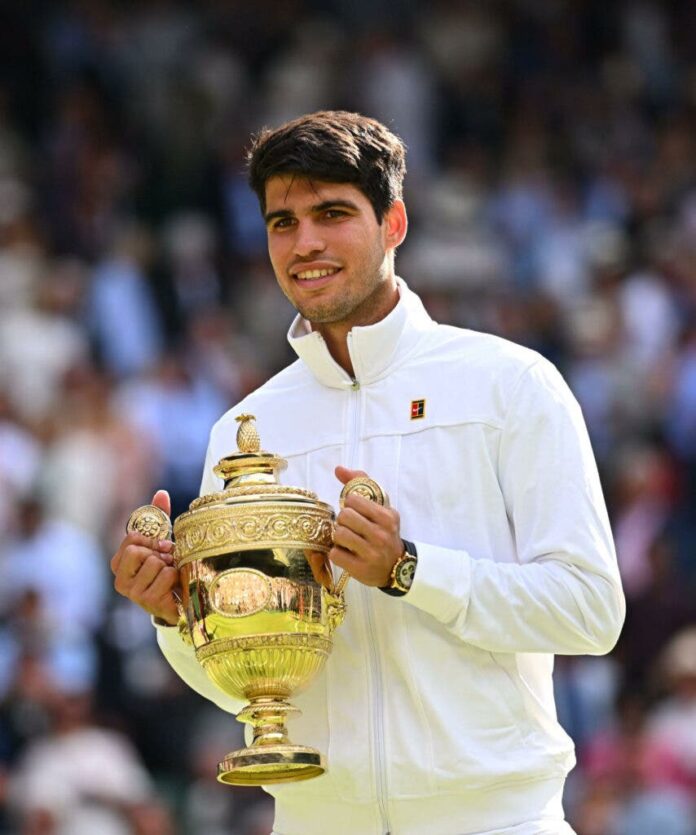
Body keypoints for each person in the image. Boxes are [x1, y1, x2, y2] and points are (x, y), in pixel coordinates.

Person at [111, 111, 625, 835]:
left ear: (394, 224)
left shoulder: (510, 385)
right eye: (283, 222)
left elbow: (591, 612)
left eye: (332, 213)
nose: (305, 243)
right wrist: (172, 614)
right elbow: (248, 690)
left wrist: (408, 568)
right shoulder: (244, 429)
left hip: (497, 820)